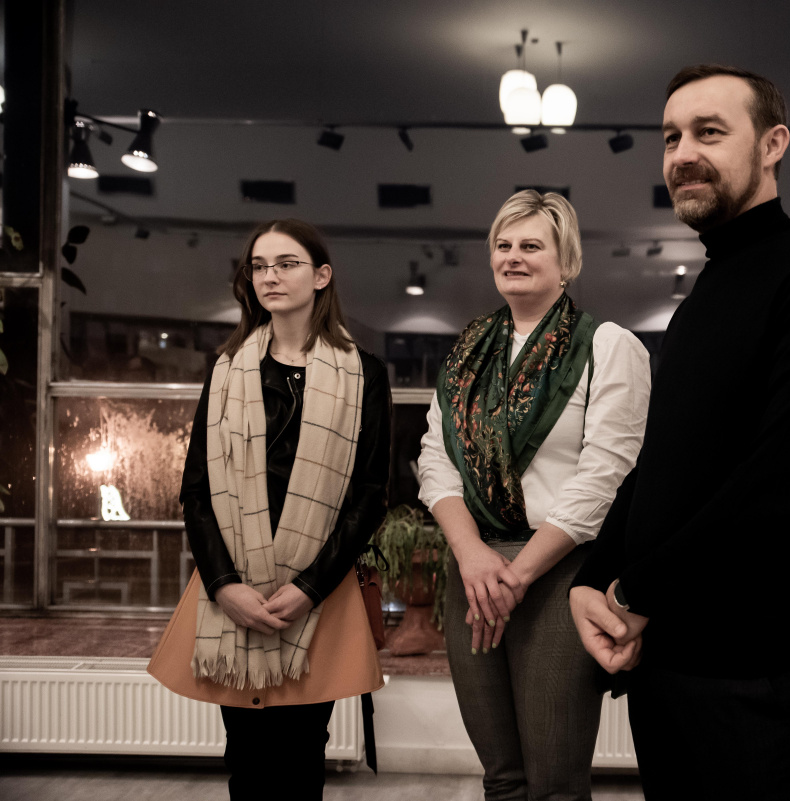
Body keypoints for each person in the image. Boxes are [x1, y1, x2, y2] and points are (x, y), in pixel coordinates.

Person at [568, 65, 790, 800]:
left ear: (773, 144)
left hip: (758, 678)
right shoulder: (703, 295)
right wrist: (593, 577)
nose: (683, 153)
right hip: (667, 663)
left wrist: (630, 591)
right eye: (671, 137)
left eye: (709, 132)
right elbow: (662, 464)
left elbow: (786, 483)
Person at [418, 190, 651, 801]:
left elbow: (606, 476)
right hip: (473, 570)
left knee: (555, 783)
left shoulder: (609, 346)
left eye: (530, 246)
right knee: (501, 778)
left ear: (566, 262)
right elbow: (436, 458)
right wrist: (471, 554)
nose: (513, 257)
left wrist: (517, 575)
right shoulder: (467, 352)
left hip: (560, 572)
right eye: (503, 245)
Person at [169, 219, 391, 800]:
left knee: (300, 760)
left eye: (286, 263)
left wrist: (310, 587)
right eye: (259, 266)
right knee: (246, 763)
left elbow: (369, 494)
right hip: (233, 591)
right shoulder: (226, 369)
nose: (270, 276)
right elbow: (196, 490)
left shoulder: (364, 373)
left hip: (318, 594)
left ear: (321, 276)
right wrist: (224, 585)